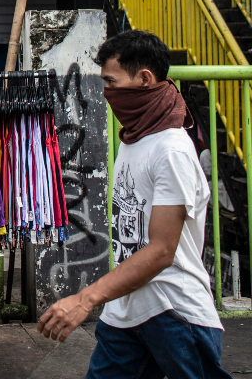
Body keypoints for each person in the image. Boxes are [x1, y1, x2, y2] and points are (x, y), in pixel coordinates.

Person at [38, 30, 229, 378]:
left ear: (144, 79)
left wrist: (85, 299)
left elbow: (161, 250)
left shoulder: (170, 150)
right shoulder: (134, 136)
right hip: (127, 312)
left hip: (174, 313)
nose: (107, 93)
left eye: (111, 82)